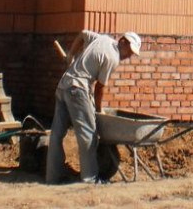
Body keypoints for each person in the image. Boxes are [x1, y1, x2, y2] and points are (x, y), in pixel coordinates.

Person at [46, 30, 142, 184]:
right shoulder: (113, 58)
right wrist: (98, 110)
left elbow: (83, 34)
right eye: (129, 51)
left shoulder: (103, 39)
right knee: (89, 136)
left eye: (132, 53)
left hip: (63, 85)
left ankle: (52, 177)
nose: (129, 56)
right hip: (77, 90)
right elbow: (100, 88)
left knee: (56, 134)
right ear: (123, 41)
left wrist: (71, 54)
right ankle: (90, 179)